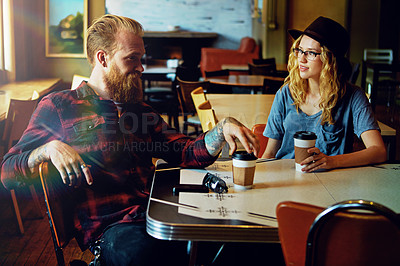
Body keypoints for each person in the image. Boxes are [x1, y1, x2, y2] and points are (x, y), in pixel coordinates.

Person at [1, 14, 260, 265]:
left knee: (237, 241)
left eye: (141, 58)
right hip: (112, 230)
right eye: (132, 59)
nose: (141, 67)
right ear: (102, 58)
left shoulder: (139, 110)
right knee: (149, 255)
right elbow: (7, 171)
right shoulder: (59, 106)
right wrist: (48, 149)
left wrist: (220, 130)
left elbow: (186, 152)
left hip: (158, 214)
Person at [262, 16, 387, 172]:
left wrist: (332, 161)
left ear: (330, 59)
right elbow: (270, 153)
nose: (301, 58)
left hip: (333, 184)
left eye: (311, 53)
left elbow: (379, 151)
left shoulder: (353, 97)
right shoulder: (285, 93)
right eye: (299, 50)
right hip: (286, 180)